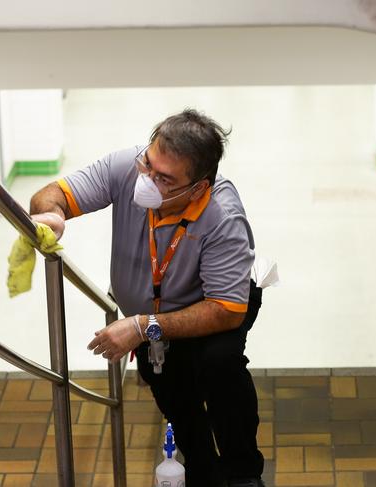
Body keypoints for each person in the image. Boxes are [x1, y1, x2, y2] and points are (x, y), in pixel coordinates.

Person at [29, 109, 265, 487]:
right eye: (148, 166)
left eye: (165, 179)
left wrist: (142, 326)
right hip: (149, 320)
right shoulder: (127, 166)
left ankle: (243, 473)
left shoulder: (222, 217)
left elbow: (226, 311)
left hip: (212, 307)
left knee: (220, 368)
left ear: (197, 188)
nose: (148, 181)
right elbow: (52, 194)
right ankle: (203, 472)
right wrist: (51, 214)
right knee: (172, 392)